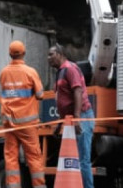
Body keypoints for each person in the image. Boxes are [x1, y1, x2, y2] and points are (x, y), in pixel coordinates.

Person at [0, 40, 45, 188]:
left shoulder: (4, 72)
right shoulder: (30, 72)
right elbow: (40, 94)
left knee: (11, 157)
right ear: (24, 53)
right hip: (27, 123)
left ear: (10, 54)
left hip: (9, 122)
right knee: (34, 157)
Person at [48, 45, 93, 188]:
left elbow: (77, 91)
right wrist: (60, 124)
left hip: (82, 117)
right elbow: (63, 100)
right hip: (71, 119)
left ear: (60, 54)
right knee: (75, 160)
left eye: (51, 54)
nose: (48, 58)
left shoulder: (70, 69)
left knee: (82, 160)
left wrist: (78, 117)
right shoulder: (60, 72)